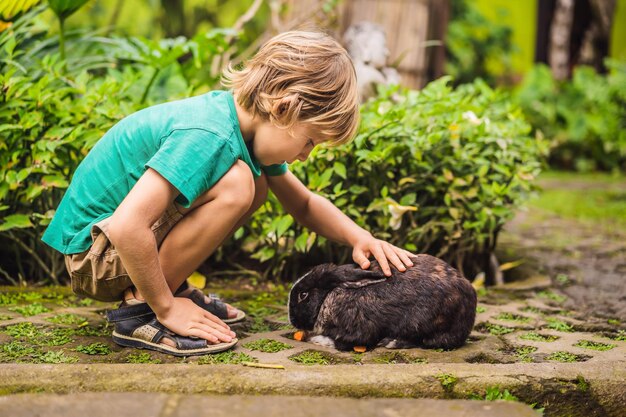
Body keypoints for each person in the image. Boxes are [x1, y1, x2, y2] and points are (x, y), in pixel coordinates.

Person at [41, 31, 415, 356]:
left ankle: (165, 287)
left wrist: (359, 237)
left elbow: (303, 204)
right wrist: (167, 307)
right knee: (239, 184)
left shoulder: (241, 130)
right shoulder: (209, 135)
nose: (305, 155)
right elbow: (126, 226)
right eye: (310, 141)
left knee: (256, 184)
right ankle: (144, 308)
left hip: (115, 247)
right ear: (283, 107)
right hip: (94, 255)